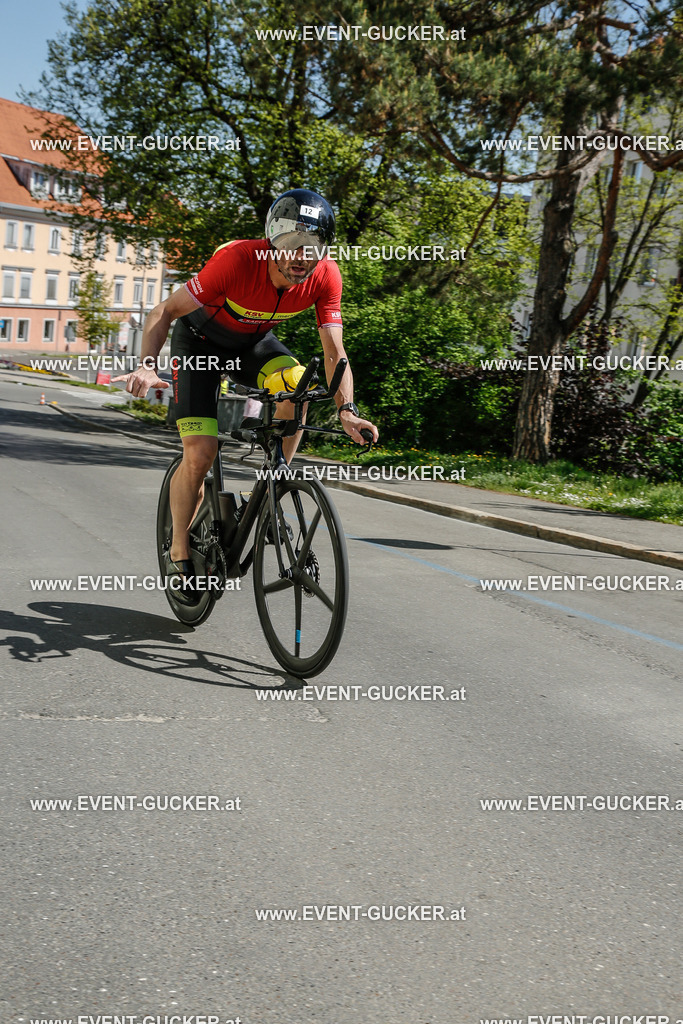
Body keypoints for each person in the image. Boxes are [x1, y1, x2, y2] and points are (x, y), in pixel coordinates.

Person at [113, 188, 378, 595]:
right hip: (199, 345)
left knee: (299, 389)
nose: (299, 259)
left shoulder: (326, 276)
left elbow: (334, 350)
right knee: (200, 453)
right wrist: (147, 365)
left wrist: (348, 410)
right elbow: (164, 311)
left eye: (311, 249)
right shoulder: (237, 262)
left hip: (253, 345)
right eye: (290, 246)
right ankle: (179, 551)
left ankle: (268, 493)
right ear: (272, 240)